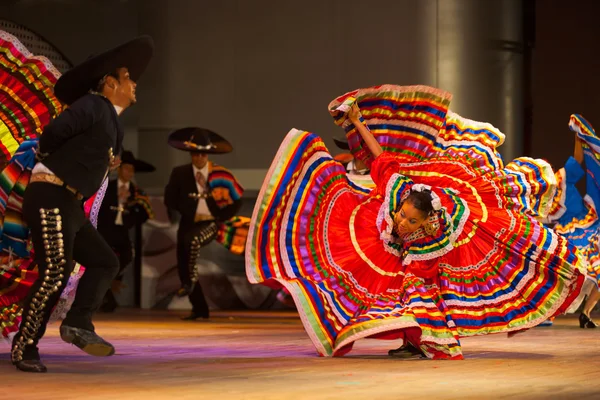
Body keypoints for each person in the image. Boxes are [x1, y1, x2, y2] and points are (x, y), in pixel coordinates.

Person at [246, 84, 587, 359]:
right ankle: (409, 338)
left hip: (436, 259)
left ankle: (420, 342)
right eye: (402, 214)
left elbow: (423, 284)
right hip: (398, 234)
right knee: (345, 243)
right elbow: (380, 154)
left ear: (425, 223)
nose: (401, 220)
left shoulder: (436, 236)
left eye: (409, 220)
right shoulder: (398, 187)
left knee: (413, 293)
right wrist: (355, 118)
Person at [10, 35, 154, 373]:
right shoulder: (92, 105)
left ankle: (77, 323)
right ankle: (24, 346)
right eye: (128, 77)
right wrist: (54, 160)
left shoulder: (110, 121)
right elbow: (52, 135)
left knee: (105, 261)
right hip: (51, 195)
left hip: (69, 203)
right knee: (55, 273)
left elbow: (89, 151)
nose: (134, 84)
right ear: (109, 83)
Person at [164, 127, 248, 320]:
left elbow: (237, 199)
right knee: (183, 262)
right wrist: (185, 206)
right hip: (188, 222)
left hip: (211, 223)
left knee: (192, 241)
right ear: (191, 154)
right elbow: (170, 199)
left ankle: (190, 282)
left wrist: (222, 217)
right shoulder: (180, 173)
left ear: (207, 155)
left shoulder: (219, 174)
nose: (199, 158)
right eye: (196, 153)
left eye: (203, 154)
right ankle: (200, 309)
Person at [544, 114, 600, 328]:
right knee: (565, 276)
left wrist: (580, 136)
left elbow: (577, 160)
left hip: (591, 224)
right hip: (568, 237)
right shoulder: (541, 199)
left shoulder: (562, 178)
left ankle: (586, 312)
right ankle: (546, 313)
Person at [97, 150, 155, 312]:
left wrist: (132, 209)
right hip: (105, 230)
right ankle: (107, 296)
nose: (129, 172)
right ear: (120, 169)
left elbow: (145, 213)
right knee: (103, 260)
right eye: (126, 168)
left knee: (128, 255)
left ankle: (110, 283)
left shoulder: (137, 192)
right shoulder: (108, 187)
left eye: (132, 170)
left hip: (122, 231)